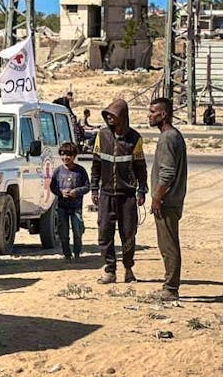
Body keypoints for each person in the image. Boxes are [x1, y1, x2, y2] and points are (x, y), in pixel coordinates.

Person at [91, 98, 148, 284]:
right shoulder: (102, 136)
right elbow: (96, 165)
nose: (109, 118)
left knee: (128, 233)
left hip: (127, 196)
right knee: (104, 233)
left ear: (122, 117)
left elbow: (141, 167)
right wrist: (94, 189)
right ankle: (109, 270)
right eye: (107, 115)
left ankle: (129, 268)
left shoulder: (135, 139)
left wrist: (142, 190)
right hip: (106, 194)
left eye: (113, 115)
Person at [148, 97, 188, 302]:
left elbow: (167, 173)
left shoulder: (168, 138)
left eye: (153, 111)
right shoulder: (173, 136)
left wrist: (157, 197)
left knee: (168, 245)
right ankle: (170, 285)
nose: (149, 115)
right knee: (168, 244)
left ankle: (171, 288)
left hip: (167, 201)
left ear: (163, 114)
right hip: (171, 199)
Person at [49, 142, 90, 262]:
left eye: (68, 155)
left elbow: (87, 187)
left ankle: (77, 253)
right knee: (63, 234)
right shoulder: (58, 171)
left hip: (76, 207)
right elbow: (52, 187)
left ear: (74, 156)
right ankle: (67, 255)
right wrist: (60, 192)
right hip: (62, 207)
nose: (65, 158)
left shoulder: (80, 171)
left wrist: (76, 192)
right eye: (63, 155)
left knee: (77, 232)